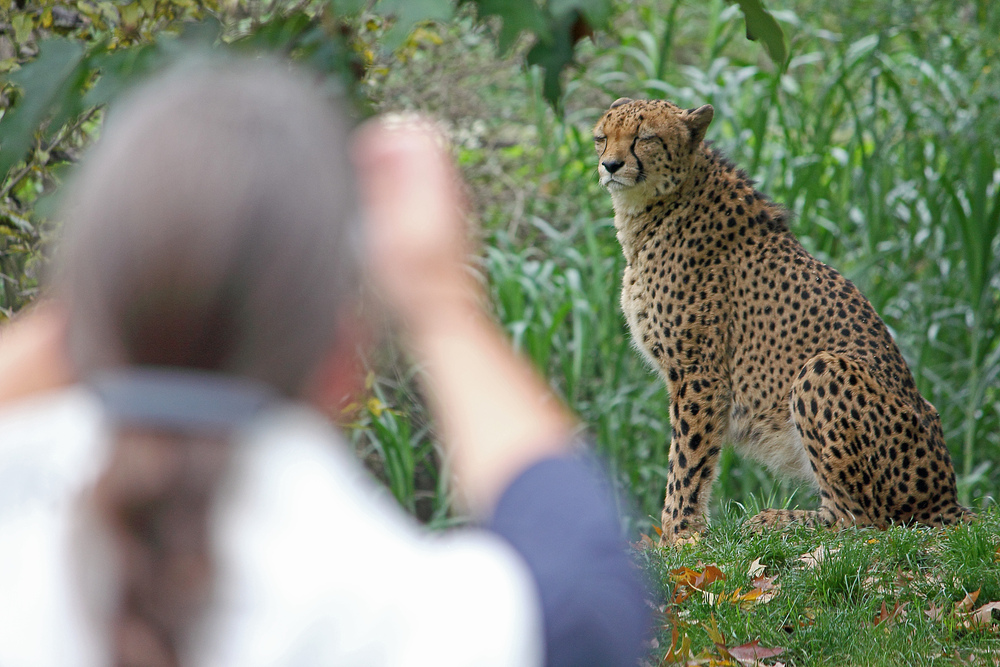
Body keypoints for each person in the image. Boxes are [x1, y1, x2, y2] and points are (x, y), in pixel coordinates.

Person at [0, 58, 651, 666]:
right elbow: (588, 599)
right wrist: (441, 307)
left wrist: (140, 270)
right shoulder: (392, 612)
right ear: (343, 361)